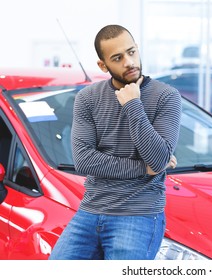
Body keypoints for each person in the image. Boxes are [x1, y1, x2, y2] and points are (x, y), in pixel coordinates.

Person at [49, 24, 182, 260]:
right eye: (117, 58)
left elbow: (159, 158)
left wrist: (133, 105)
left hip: (138, 213)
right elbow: (84, 160)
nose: (129, 62)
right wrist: (144, 168)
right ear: (103, 65)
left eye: (131, 52)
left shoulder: (166, 96)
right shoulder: (88, 98)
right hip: (90, 210)